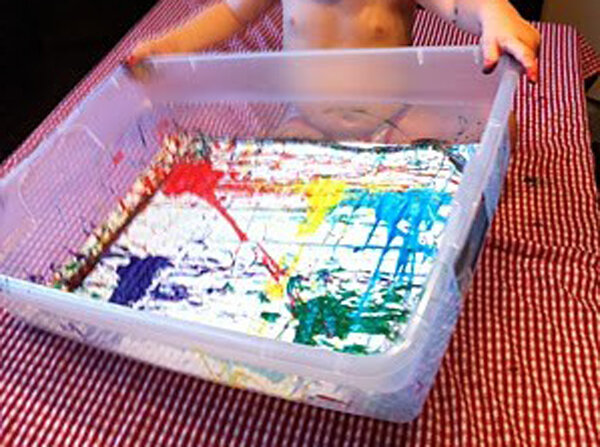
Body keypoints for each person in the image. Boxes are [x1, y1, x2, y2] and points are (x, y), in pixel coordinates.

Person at [128, 0, 538, 139]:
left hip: (394, 120)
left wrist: (495, 15)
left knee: (501, 126)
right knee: (267, 174)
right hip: (306, 123)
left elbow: (459, 4)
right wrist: (170, 46)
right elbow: (229, 14)